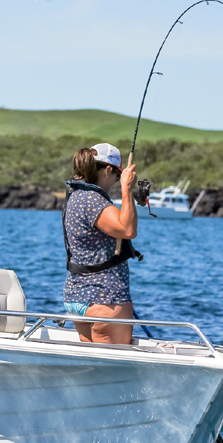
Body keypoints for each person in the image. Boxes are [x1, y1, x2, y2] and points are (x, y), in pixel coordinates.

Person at [63, 142, 140, 344]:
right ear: (108, 170)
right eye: (117, 175)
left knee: (93, 370)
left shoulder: (76, 196)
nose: (117, 180)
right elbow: (128, 230)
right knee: (111, 370)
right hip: (105, 299)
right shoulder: (93, 200)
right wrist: (127, 189)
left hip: (77, 297)